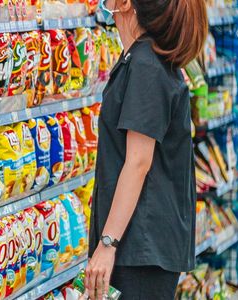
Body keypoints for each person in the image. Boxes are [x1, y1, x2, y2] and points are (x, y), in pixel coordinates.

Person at [84, 0, 207, 299]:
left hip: (141, 247)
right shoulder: (142, 59)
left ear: (126, 4)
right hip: (140, 243)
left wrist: (107, 244)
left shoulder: (146, 65)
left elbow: (139, 161)